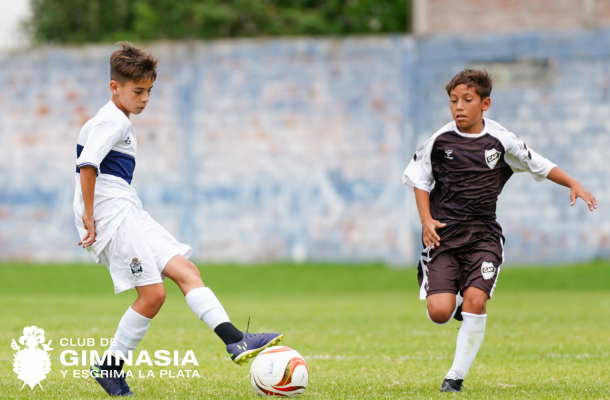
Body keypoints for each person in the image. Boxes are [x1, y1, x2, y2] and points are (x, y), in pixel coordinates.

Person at [74, 42, 283, 397]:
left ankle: (236, 341)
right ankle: (109, 368)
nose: (145, 99)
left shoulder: (116, 119)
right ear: (115, 87)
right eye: (137, 91)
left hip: (129, 208)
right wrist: (90, 215)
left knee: (187, 272)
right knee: (153, 295)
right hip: (112, 214)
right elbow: (87, 165)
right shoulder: (111, 120)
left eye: (149, 91)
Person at [402, 69, 597, 392]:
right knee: (439, 312)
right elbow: (418, 179)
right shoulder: (440, 141)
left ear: (485, 103)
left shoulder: (500, 140)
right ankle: (454, 306)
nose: (459, 107)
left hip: (483, 237)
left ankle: (454, 378)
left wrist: (573, 183)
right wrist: (426, 220)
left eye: (467, 100)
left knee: (476, 302)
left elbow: (539, 163)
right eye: (453, 101)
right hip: (444, 237)